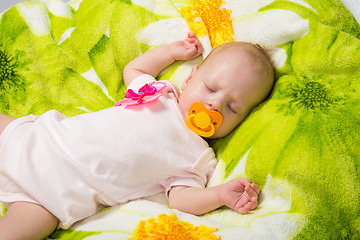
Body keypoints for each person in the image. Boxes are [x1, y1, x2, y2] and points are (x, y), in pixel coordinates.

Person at [0, 32, 274, 239]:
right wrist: (170, 52)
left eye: (233, 108)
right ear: (191, 78)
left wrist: (220, 195)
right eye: (211, 88)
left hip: (50, 198)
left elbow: (180, 199)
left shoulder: (197, 156)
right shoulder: (159, 93)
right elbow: (135, 70)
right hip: (37, 139)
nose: (215, 105)